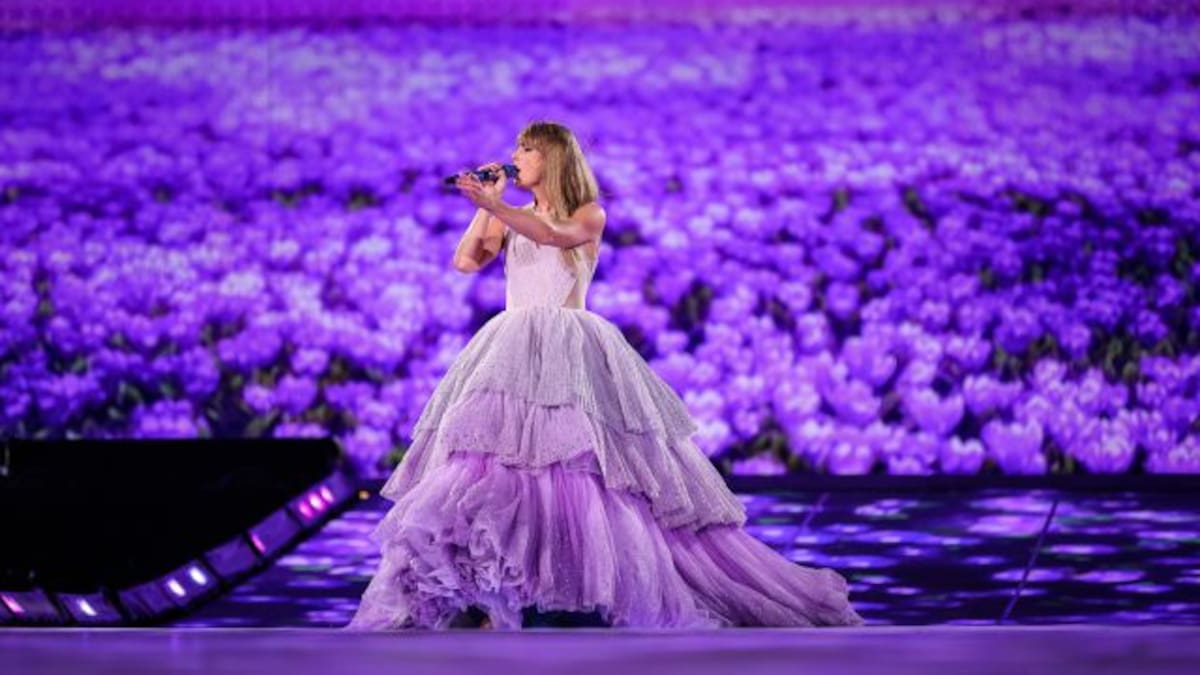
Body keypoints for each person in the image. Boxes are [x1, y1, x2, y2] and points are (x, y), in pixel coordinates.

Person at [346, 121, 864, 630]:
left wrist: (496, 207)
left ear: (552, 159)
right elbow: (466, 261)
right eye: (517, 149)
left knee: (576, 467)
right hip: (511, 347)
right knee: (495, 460)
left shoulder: (589, 215)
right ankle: (502, 590)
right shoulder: (509, 213)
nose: (515, 157)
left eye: (526, 150)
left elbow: (552, 235)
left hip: (569, 346)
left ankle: (573, 593)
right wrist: (487, 210)